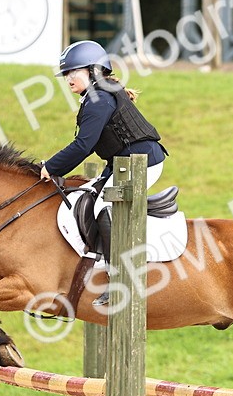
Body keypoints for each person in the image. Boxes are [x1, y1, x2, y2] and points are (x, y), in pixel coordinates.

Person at [40, 40, 167, 306]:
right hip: (123, 161)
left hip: (143, 163)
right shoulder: (97, 95)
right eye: (65, 74)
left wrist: (50, 167)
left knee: (101, 208)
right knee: (88, 196)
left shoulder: (99, 99)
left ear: (94, 71)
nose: (68, 79)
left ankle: (120, 277)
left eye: (73, 72)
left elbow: (83, 146)